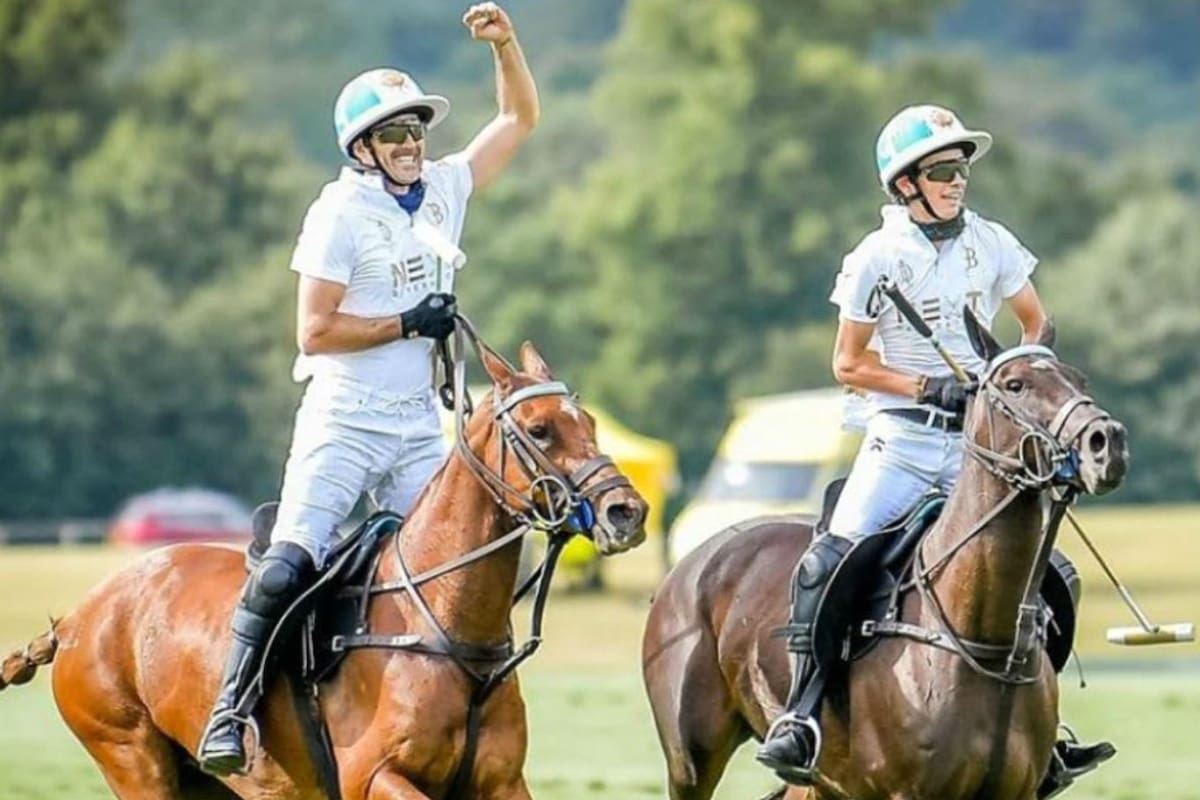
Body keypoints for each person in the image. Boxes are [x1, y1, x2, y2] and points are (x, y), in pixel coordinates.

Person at [196, 2, 540, 775]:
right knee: (288, 565)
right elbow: (313, 332)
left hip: (420, 424)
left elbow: (519, 117)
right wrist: (407, 322)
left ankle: (449, 713)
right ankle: (233, 709)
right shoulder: (338, 214)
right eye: (393, 134)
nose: (410, 144)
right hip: (345, 421)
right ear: (363, 148)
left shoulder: (446, 187)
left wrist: (506, 44)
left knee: (477, 565)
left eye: (415, 131)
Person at [754, 105, 1114, 794]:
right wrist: (928, 388)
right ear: (905, 186)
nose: (958, 181)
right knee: (826, 563)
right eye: (943, 171)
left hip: (980, 453)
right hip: (901, 445)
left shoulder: (992, 242)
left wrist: (1012, 385)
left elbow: (1036, 321)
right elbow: (848, 364)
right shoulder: (876, 258)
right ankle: (803, 717)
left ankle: (1044, 734)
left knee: (1055, 574)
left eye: (962, 168)